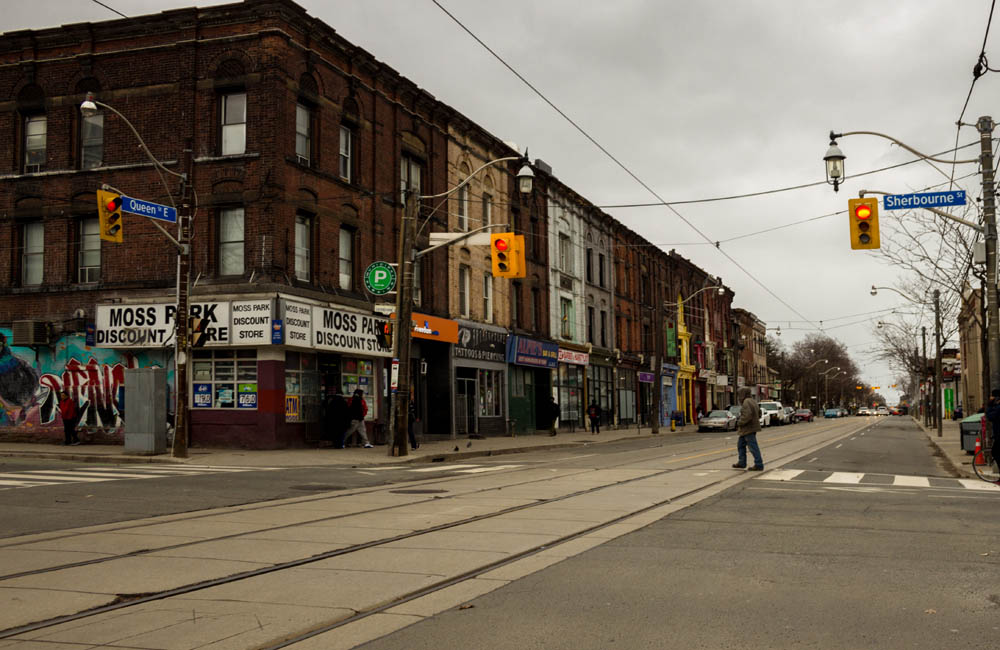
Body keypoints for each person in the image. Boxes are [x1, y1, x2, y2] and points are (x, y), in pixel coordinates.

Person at [733, 386, 763, 471]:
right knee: (741, 445)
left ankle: (758, 464)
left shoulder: (746, 402)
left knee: (753, 447)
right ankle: (741, 462)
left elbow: (747, 415)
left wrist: (739, 422)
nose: (739, 397)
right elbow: (759, 413)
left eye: (739, 394)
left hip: (747, 428)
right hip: (750, 428)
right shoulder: (753, 401)